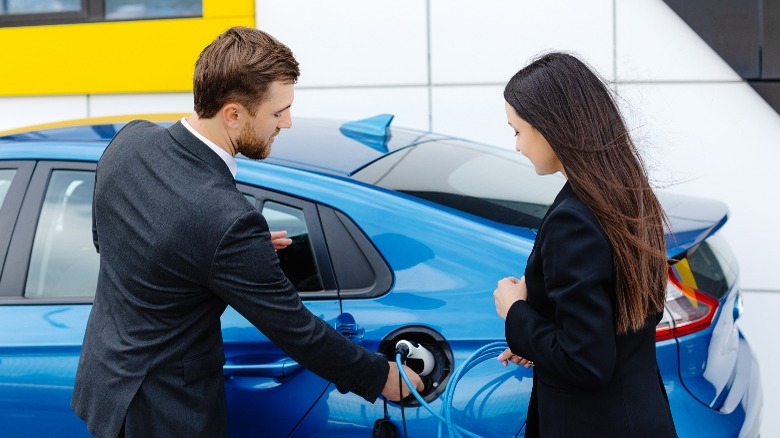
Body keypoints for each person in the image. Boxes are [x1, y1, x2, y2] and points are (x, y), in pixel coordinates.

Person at [71, 26, 423, 438]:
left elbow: (109, 240)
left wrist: (219, 257)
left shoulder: (130, 141)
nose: (288, 123)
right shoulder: (226, 219)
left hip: (108, 390)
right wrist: (380, 377)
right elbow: (295, 329)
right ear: (233, 114)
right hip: (168, 413)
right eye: (278, 113)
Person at [493, 52, 677, 437]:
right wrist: (539, 333)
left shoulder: (573, 219)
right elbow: (619, 321)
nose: (517, 146)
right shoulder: (627, 191)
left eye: (517, 131)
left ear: (550, 128)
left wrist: (516, 312)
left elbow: (587, 363)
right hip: (641, 414)